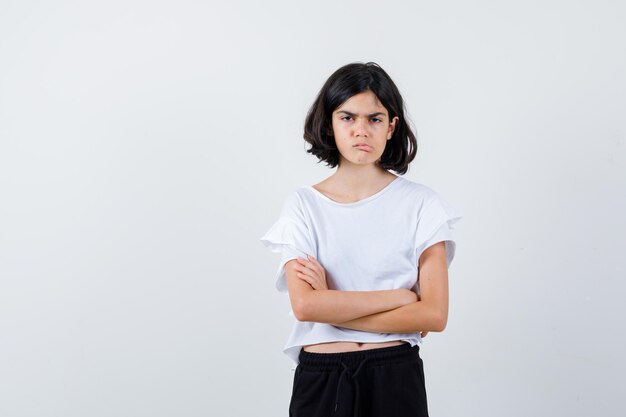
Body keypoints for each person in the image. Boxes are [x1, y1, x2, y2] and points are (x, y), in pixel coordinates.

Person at [260, 62, 463, 417]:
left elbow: (434, 314)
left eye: (375, 119)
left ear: (391, 126)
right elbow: (306, 307)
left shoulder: (423, 205)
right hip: (322, 378)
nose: (361, 131)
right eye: (347, 117)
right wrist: (401, 299)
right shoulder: (303, 206)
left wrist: (332, 304)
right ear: (329, 123)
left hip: (395, 374)